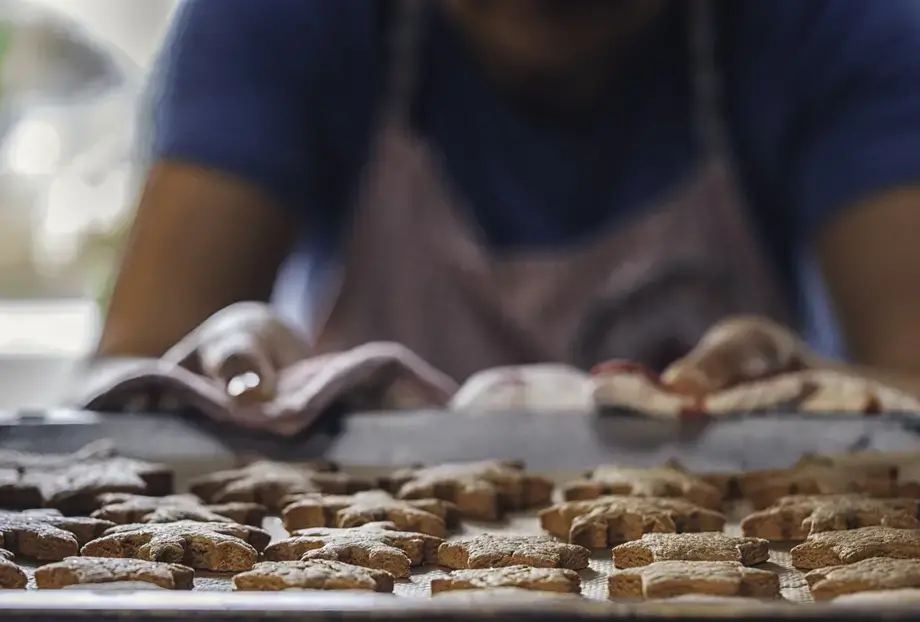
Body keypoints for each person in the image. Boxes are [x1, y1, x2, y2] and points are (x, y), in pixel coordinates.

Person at [96, 0, 920, 404]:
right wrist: (209, 375)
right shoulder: (283, 18)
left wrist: (838, 410)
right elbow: (128, 379)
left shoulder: (835, 24)